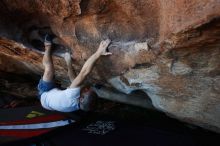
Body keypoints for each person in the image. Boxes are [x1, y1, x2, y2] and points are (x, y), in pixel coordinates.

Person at [37, 36, 112, 112]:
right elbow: (74, 81)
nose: (86, 89)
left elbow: (84, 72)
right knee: (77, 84)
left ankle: (47, 46)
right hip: (53, 98)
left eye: (86, 91)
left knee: (49, 70)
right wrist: (68, 61)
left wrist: (99, 52)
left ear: (81, 99)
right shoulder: (80, 104)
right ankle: (68, 60)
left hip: (44, 94)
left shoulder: (71, 98)